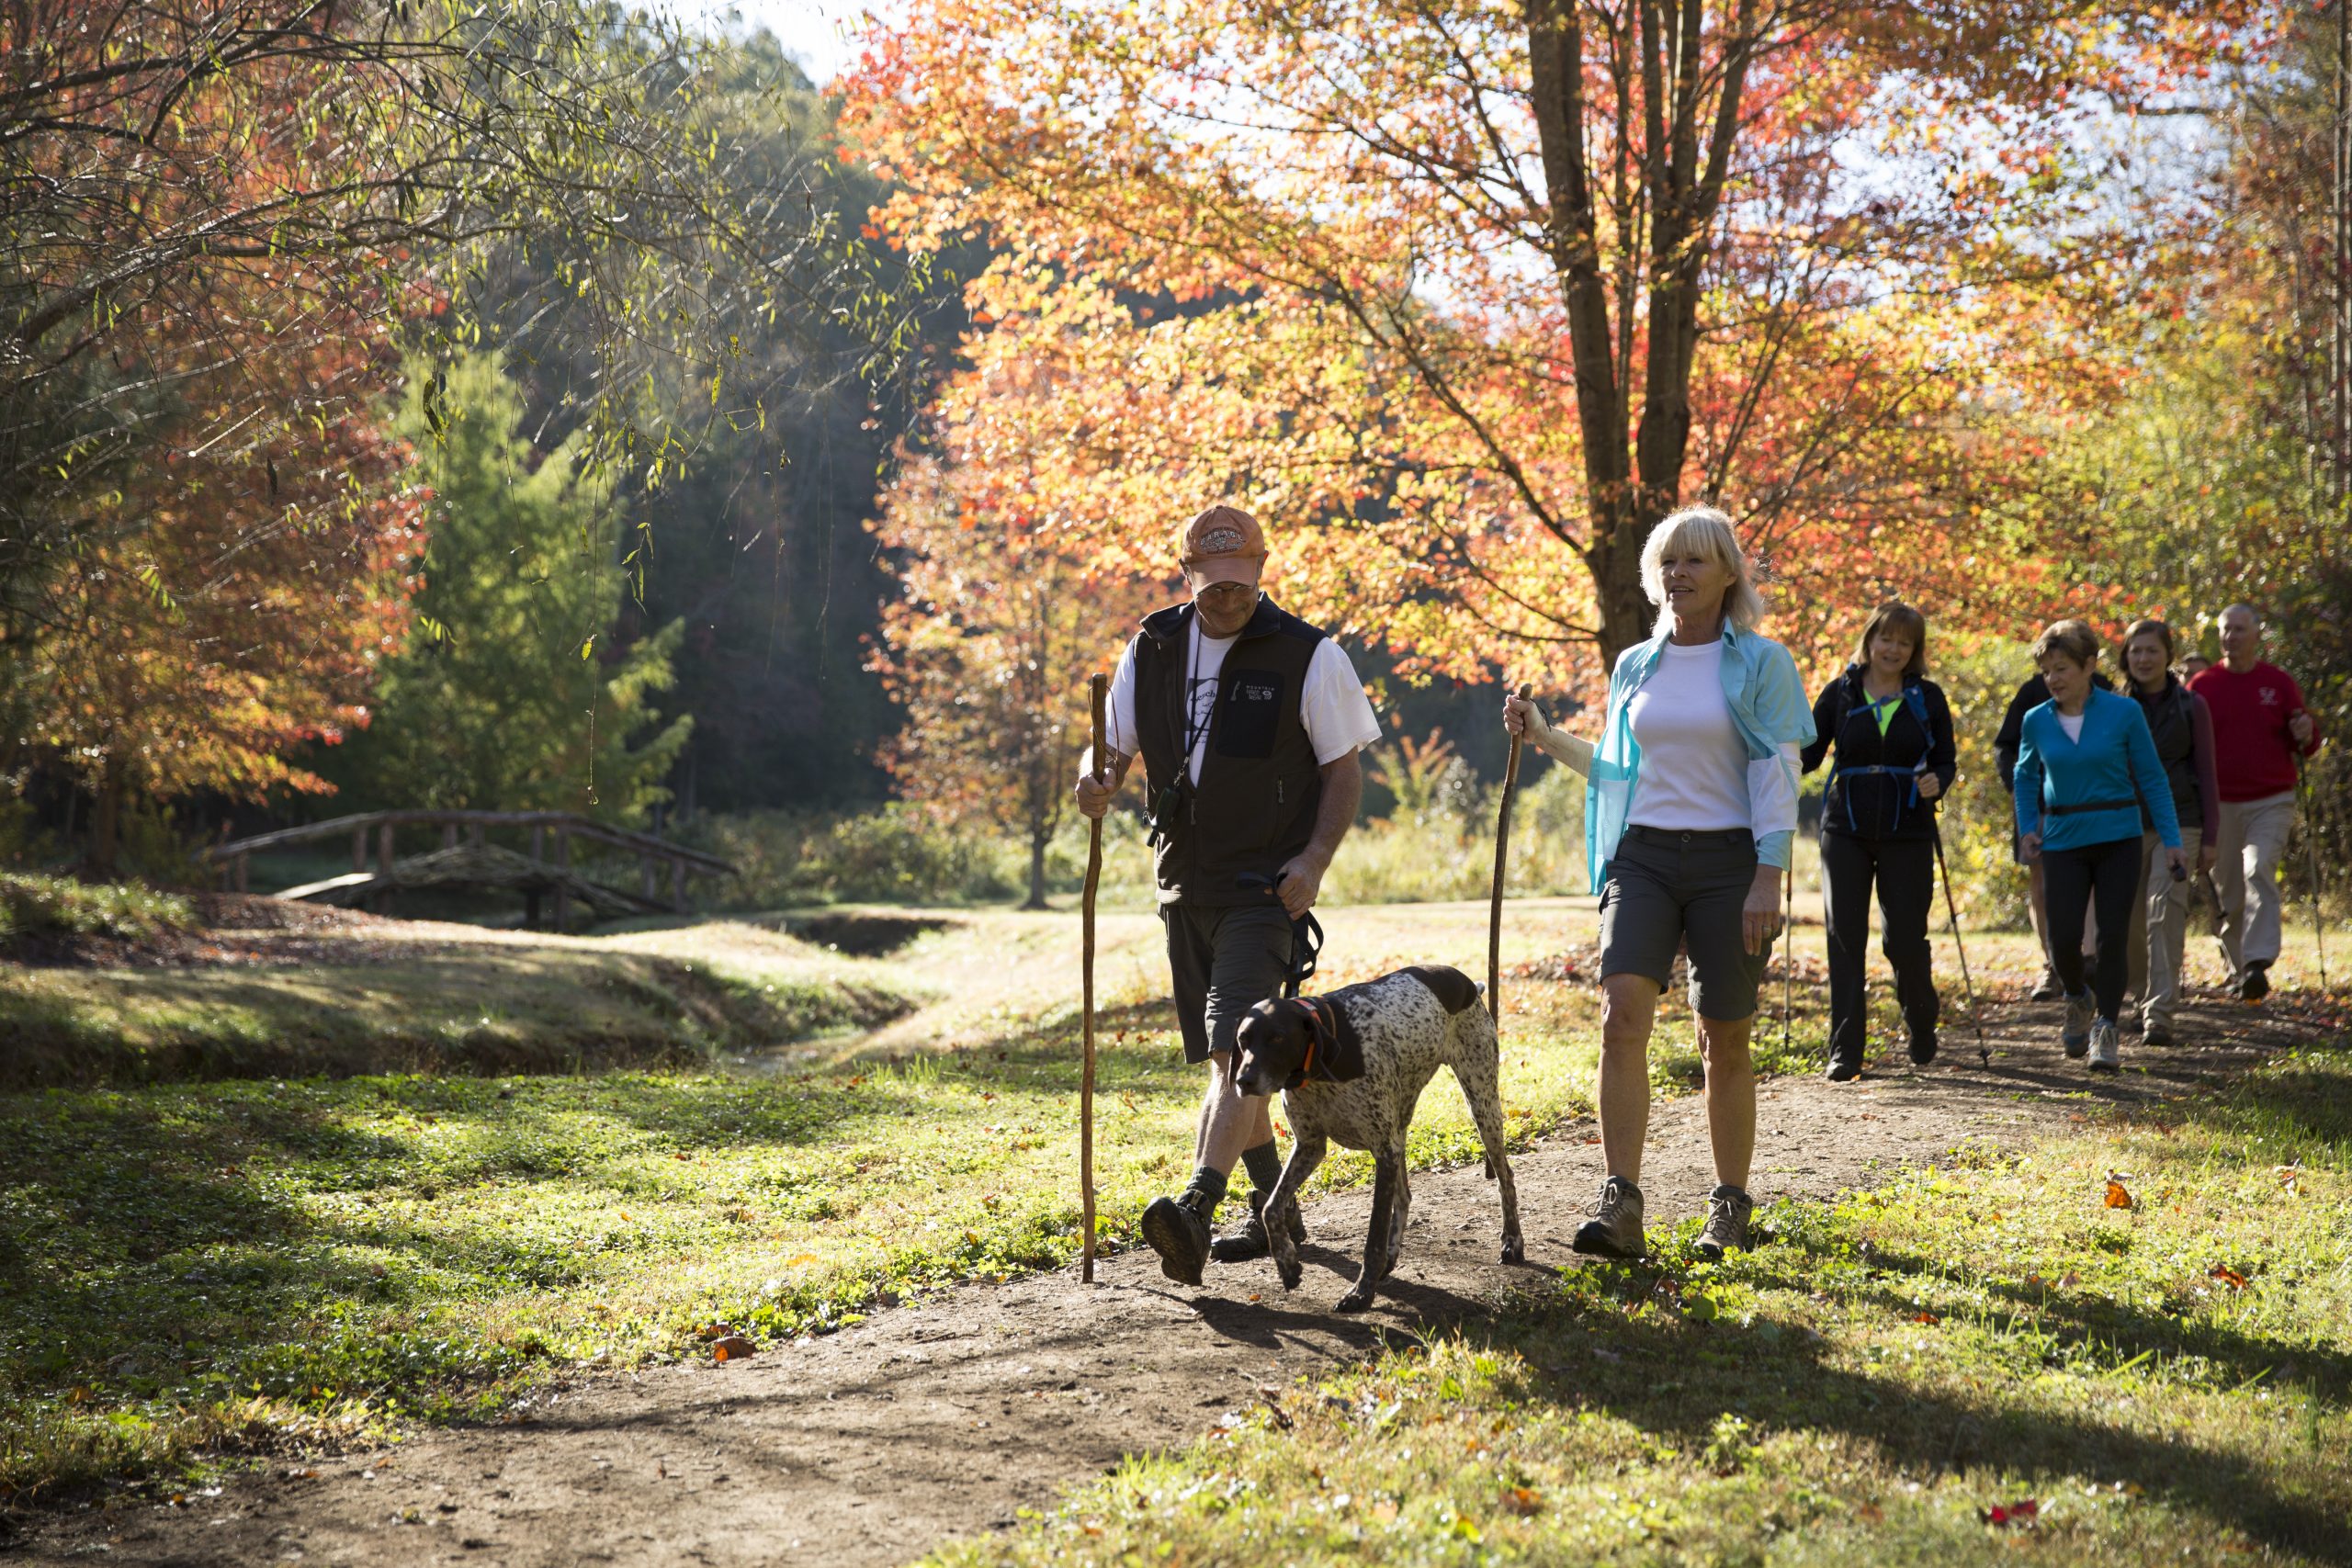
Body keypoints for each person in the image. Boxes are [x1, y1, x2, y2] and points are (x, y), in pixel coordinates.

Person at [1073, 503, 1382, 1285]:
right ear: (1188, 577)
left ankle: (1196, 1208)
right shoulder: (1153, 646)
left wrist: (1313, 860)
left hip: (1264, 891)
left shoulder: (1309, 655)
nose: (1229, 598)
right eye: (1213, 586)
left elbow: (1343, 771)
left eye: (1242, 583)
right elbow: (1113, 746)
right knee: (1230, 1061)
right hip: (1182, 886)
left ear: (1262, 569)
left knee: (1232, 1054)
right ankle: (1276, 1206)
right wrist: (1097, 775)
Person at [1502, 505, 1812, 1260]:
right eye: (1668, 562)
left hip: (1731, 864)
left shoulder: (1762, 663)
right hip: (1641, 856)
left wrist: (1770, 872)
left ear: (1728, 573)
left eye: (1695, 561)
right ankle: (1621, 1202)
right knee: (1621, 1015)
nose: (1678, 575)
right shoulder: (1637, 663)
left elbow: (1777, 773)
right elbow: (1617, 769)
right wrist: (1543, 735)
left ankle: (1730, 1204)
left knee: (1723, 1038)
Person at [2013, 621, 2186, 1073]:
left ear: (2089, 666)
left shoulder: (2123, 713)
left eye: (2062, 668)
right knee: (2064, 937)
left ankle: (2105, 1028)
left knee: (2112, 937)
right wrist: (2028, 826)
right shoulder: (2036, 720)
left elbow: (2152, 777)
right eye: (2047, 670)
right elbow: (2024, 774)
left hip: (2118, 837)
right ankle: (2076, 995)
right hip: (2063, 840)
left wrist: (2171, 840)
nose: (2053, 679)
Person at [1798, 602, 1957, 1080]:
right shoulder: (1840, 693)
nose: (1893, 649)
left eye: (1904, 642)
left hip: (1907, 829)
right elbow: (1808, 755)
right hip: (1844, 827)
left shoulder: (1927, 698)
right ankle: (1845, 1051)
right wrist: (1772, 745)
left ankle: (1921, 1016)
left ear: (1915, 651)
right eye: (1886, 638)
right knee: (1844, 939)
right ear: (1869, 640)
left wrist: (1937, 781)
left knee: (1904, 938)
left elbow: (1945, 760)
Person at [2189, 604, 2323, 1002]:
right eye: (2226, 630)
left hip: (2271, 798)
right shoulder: (2202, 685)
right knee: (2227, 889)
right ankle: (2239, 968)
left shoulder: (2277, 682)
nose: (2231, 637)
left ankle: (2259, 960)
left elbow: (2307, 741)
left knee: (2258, 868)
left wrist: (2306, 730)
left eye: (2239, 629)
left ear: (2255, 634)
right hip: (2220, 802)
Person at [2119, 620, 2219, 1045]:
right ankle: (2140, 996)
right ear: (2126, 657)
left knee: (2165, 910)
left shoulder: (2191, 706)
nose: (2143, 659)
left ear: (2168, 655)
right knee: (2127, 920)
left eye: (2152, 651)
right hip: (2124, 824)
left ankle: (2159, 1013)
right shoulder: (2113, 706)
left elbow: (2207, 773)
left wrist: (2211, 837)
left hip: (2181, 822)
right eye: (2136, 651)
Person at [1997, 663, 2112, 1000]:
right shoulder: (2031, 693)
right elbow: (2006, 746)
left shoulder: (2104, 690)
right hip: (2038, 805)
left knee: (2091, 882)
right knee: (2043, 885)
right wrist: (2019, 791)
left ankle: (2089, 960)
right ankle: (2054, 966)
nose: (2056, 675)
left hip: (2092, 803)